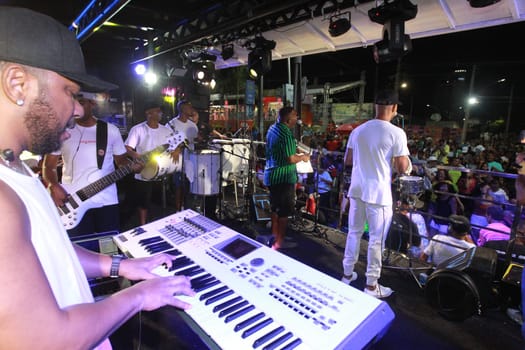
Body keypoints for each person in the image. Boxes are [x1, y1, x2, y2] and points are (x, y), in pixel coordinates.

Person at [0, 7, 194, 349]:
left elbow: (48, 250)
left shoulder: (13, 170)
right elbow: (50, 340)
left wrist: (118, 266)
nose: (77, 108)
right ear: (18, 85)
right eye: (70, 92)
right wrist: (137, 296)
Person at [341, 89, 410, 298]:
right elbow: (402, 167)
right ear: (395, 108)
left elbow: (348, 160)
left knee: (353, 233)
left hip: (357, 190)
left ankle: (347, 275)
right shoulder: (397, 133)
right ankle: (371, 286)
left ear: (375, 107)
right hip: (379, 195)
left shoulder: (358, 130)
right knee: (376, 240)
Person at [42, 92, 131, 236]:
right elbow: (48, 166)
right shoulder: (62, 132)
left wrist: (134, 166)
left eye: (82, 102)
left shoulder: (110, 130)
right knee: (81, 247)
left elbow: (121, 161)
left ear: (93, 104)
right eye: (73, 102)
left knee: (107, 245)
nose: (75, 106)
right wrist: (53, 185)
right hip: (72, 202)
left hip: (106, 200)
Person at [264, 106, 310, 250]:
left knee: (274, 208)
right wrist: (302, 157)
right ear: (288, 118)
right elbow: (290, 159)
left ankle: (273, 238)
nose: (297, 119)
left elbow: (283, 149)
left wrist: (296, 149)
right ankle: (279, 242)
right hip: (284, 178)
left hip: (271, 176)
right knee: (284, 211)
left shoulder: (272, 129)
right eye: (296, 116)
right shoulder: (287, 134)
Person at [125, 101, 176, 226]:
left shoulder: (166, 130)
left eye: (160, 111)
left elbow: (173, 146)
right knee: (144, 201)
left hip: (161, 169)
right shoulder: (138, 129)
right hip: (144, 170)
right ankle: (143, 224)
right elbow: (127, 148)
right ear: (149, 113)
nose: (160, 114)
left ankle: (159, 223)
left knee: (159, 200)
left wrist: (176, 150)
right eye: (157, 111)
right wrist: (136, 155)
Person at [166, 100, 199, 211]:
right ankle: (178, 210)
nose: (192, 110)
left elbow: (194, 141)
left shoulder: (193, 125)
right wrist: (176, 149)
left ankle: (188, 208)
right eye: (189, 108)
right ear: (183, 109)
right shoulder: (172, 124)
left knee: (189, 185)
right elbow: (167, 142)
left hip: (191, 160)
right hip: (178, 160)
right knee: (178, 186)